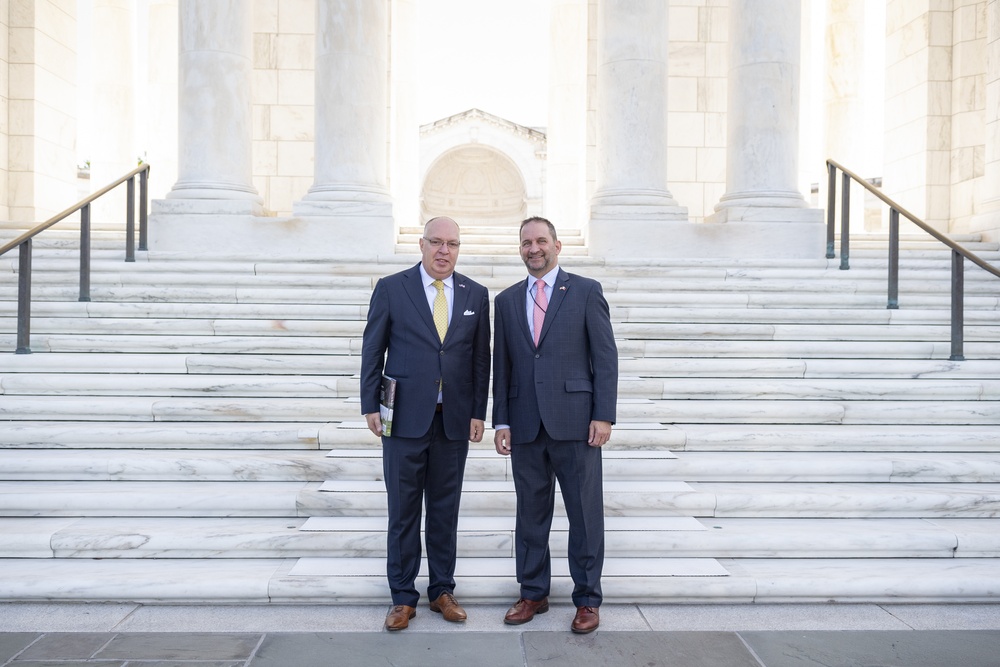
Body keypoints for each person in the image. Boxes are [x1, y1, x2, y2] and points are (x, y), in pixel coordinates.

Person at [360, 216, 491, 631]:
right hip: (402, 420)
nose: (443, 250)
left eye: (452, 243)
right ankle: (402, 597)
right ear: (421, 244)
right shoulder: (391, 288)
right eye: (436, 242)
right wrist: (370, 405)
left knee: (444, 510)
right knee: (402, 510)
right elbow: (372, 349)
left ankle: (441, 591)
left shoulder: (476, 294)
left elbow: (479, 359)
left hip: (452, 422)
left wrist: (477, 412)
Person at [492, 216, 618, 634]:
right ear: (520, 248)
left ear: (558, 246)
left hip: (577, 423)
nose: (534, 249)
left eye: (541, 241)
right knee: (530, 515)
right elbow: (502, 366)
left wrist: (603, 414)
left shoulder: (584, 291)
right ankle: (533, 593)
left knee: (584, 514)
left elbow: (605, 356)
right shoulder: (507, 301)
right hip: (526, 424)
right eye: (526, 242)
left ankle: (586, 599)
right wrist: (502, 420)